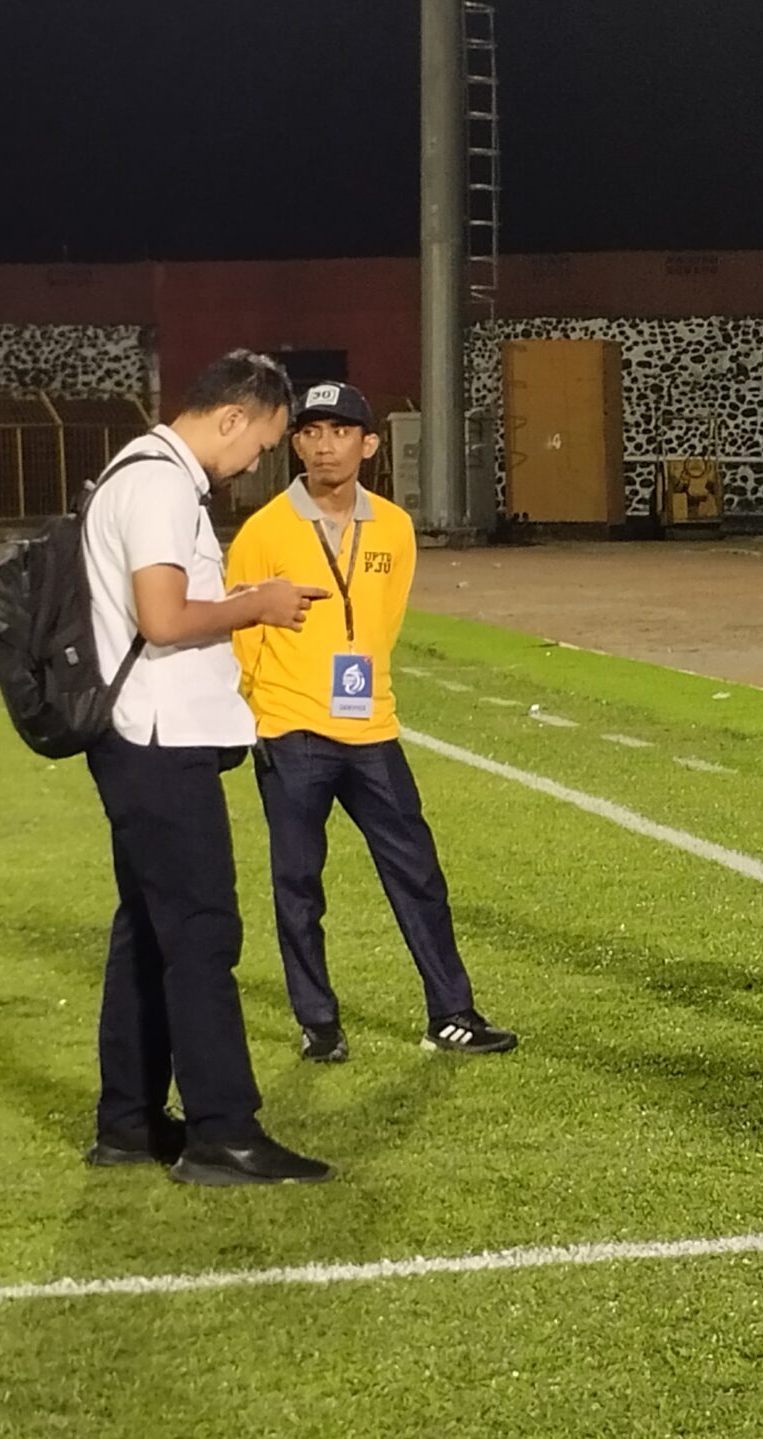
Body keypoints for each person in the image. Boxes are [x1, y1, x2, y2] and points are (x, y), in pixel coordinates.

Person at [78, 349, 336, 1185]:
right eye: (259, 442)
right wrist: (256, 604)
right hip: (157, 744)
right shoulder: (157, 482)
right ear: (231, 417)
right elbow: (162, 617)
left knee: (148, 931)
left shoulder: (139, 473)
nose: (257, 460)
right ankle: (223, 1131)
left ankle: (128, 1121)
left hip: (141, 740)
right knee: (199, 933)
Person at [225, 381, 517, 1064]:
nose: (325, 444)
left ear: (369, 442)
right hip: (292, 729)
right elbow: (241, 627)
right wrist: (261, 715)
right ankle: (318, 1021)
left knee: (418, 872)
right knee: (298, 881)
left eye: (340, 431)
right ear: (296, 442)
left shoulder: (394, 525)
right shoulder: (265, 530)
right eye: (312, 432)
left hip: (372, 728)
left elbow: (383, 616)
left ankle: (452, 1013)